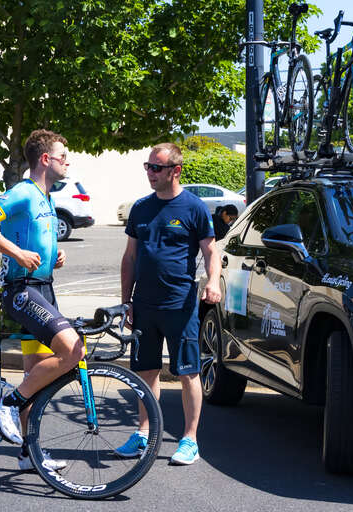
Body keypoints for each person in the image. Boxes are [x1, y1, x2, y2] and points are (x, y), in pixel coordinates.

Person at [0, 129, 86, 471]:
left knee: (37, 374)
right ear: (46, 159)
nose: (68, 163)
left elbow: (34, 237)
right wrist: (18, 253)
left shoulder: (45, 196)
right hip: (22, 293)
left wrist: (53, 257)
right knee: (74, 351)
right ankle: (6, 403)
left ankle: (27, 454)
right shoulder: (23, 192)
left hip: (43, 288)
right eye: (64, 157)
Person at [119, 142, 221, 465]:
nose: (150, 173)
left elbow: (210, 251)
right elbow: (130, 257)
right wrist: (126, 302)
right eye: (147, 167)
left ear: (175, 171)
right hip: (145, 305)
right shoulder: (140, 208)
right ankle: (143, 433)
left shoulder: (194, 208)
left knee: (188, 371)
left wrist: (213, 282)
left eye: (156, 168)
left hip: (181, 304)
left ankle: (190, 439)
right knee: (145, 372)